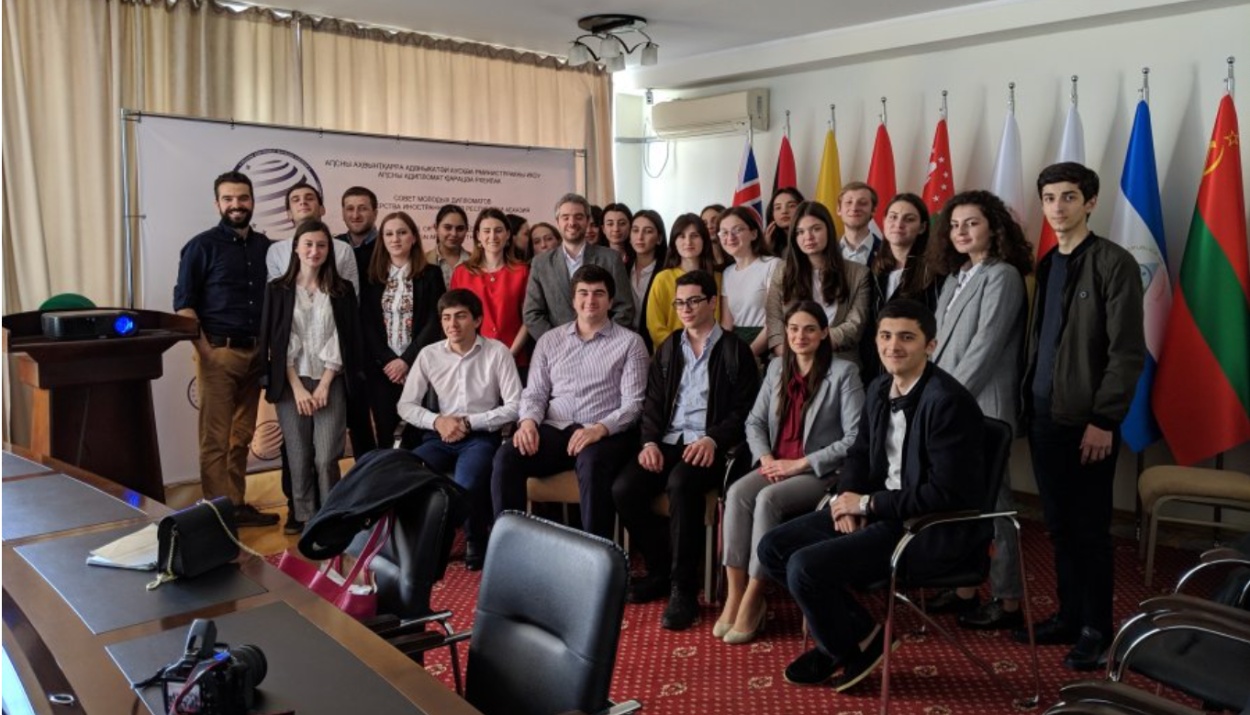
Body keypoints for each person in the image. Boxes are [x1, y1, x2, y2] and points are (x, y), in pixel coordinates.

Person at [758, 299, 986, 691]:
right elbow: (860, 453)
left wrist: (866, 504)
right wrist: (848, 495)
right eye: (885, 335)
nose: (893, 346)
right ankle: (857, 634)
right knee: (773, 547)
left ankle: (843, 650)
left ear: (930, 345)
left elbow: (943, 493)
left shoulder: (948, 402)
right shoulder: (880, 386)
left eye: (906, 337)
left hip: (922, 527)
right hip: (879, 508)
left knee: (805, 568)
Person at [1017, 162, 1145, 670]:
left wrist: (1105, 420)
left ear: (1090, 202)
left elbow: (1127, 352)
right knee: (1058, 526)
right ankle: (1068, 616)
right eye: (1049, 198)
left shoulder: (1114, 263)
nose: (1057, 208)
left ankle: (1096, 627)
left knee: (1090, 529)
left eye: (1069, 197)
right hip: (1045, 415)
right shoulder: (1048, 264)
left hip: (1089, 421)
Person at [613, 270, 759, 630]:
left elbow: (746, 410)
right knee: (624, 489)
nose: (686, 309)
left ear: (713, 302)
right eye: (680, 302)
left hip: (711, 446)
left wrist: (714, 439)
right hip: (667, 441)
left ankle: (684, 590)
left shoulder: (734, 349)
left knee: (681, 484)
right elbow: (652, 404)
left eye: (694, 301)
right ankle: (661, 568)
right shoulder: (668, 347)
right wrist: (648, 442)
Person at [717, 301, 863, 645]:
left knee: (767, 499)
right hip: (776, 463)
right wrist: (765, 457)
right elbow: (753, 421)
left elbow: (855, 438)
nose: (800, 336)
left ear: (824, 333)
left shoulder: (844, 373)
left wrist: (800, 463)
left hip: (817, 471)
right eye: (794, 329)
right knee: (738, 492)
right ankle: (735, 594)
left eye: (810, 329)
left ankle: (755, 594)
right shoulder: (776, 368)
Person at [924, 189, 1034, 630]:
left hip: (981, 408)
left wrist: (942, 402)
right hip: (951, 403)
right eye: (954, 225)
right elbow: (939, 347)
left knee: (996, 504)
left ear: (993, 226)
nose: (961, 232)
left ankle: (1008, 600)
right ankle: (966, 587)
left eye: (971, 223)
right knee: (962, 502)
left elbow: (983, 350)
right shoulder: (956, 278)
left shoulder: (1003, 276)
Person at [493, 264, 648, 539]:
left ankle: (595, 556)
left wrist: (599, 429)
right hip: (555, 428)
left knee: (591, 462)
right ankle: (510, 546)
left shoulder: (630, 343)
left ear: (611, 301)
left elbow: (633, 404)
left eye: (599, 293)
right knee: (508, 456)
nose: (591, 300)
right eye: (584, 293)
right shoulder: (550, 340)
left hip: (603, 433)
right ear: (573, 299)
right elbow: (536, 392)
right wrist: (528, 422)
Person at [173, 170, 278, 527]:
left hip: (256, 354)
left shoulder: (267, 247)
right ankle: (215, 514)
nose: (237, 205)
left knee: (241, 437)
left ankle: (235, 504)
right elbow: (184, 306)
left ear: (252, 201)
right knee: (215, 439)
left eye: (243, 198)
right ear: (218, 203)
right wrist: (206, 352)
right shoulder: (201, 246)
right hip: (219, 353)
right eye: (229, 199)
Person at [397, 289, 523, 570]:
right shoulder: (429, 355)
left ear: (477, 320)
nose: (452, 325)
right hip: (439, 435)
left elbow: (516, 405)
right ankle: (429, 540)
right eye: (446, 318)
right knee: (410, 473)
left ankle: (475, 539)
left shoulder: (497, 352)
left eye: (461, 317)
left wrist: (469, 422)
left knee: (467, 481)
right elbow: (405, 405)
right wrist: (437, 421)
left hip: (480, 437)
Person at [258, 219, 361, 532]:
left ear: (329, 250)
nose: (314, 251)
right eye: (309, 244)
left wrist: (326, 384)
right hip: (292, 384)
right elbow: (275, 341)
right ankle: (305, 517)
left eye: (321, 245)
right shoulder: (277, 289)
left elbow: (346, 339)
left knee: (326, 456)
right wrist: (298, 388)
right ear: (296, 248)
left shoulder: (342, 290)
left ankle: (330, 516)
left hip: (331, 382)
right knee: (299, 456)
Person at [359, 211, 446, 450]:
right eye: (389, 234)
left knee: (419, 432)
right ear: (382, 240)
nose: (395, 238)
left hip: (418, 366)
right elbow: (367, 323)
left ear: (414, 238)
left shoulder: (431, 274)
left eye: (402, 232)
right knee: (387, 434)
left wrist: (407, 361)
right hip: (382, 370)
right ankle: (393, 483)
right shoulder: (372, 277)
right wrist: (389, 361)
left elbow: (434, 321)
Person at [765, 201, 870, 365]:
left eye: (816, 229)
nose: (808, 237)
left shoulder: (858, 273)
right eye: (800, 232)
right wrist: (789, 354)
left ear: (829, 229)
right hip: (790, 360)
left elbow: (855, 325)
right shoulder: (782, 270)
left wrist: (810, 345)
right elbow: (774, 318)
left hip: (839, 361)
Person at [522, 193, 634, 340]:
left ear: (588, 221)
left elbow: (624, 309)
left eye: (579, 217)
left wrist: (603, 340)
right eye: (566, 217)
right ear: (557, 222)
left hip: (603, 349)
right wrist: (558, 342)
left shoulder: (611, 259)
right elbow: (532, 314)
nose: (572, 222)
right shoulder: (540, 264)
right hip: (558, 351)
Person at [859, 193, 943, 382]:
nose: (899, 224)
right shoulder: (875, 269)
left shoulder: (935, 272)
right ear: (884, 221)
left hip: (915, 372)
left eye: (909, 219)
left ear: (922, 227)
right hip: (875, 371)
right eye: (893, 217)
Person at [450, 208, 531, 373]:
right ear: (478, 236)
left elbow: (529, 318)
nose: (492, 236)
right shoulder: (462, 273)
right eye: (487, 231)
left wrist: (509, 354)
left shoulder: (522, 272)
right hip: (472, 359)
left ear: (508, 235)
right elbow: (454, 318)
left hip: (514, 359)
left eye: (498, 230)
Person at [335, 186, 381, 458]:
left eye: (362, 208)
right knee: (356, 422)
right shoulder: (333, 246)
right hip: (345, 347)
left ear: (374, 212)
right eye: (350, 208)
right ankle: (363, 487)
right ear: (342, 212)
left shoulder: (387, 244)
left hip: (381, 349)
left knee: (385, 425)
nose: (356, 214)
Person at [266, 183, 360, 296]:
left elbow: (352, 297)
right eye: (296, 200)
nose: (303, 202)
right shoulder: (276, 251)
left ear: (322, 209)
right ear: (289, 214)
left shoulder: (343, 249)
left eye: (309, 198)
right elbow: (275, 298)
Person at [646, 213, 721, 350]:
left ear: (704, 240)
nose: (688, 242)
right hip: (672, 354)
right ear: (674, 242)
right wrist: (683, 349)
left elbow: (719, 321)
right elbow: (655, 326)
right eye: (682, 236)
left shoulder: (717, 278)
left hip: (711, 352)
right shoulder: (662, 279)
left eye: (694, 236)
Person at [718, 205, 779, 359]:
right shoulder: (727, 273)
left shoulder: (772, 265)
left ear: (753, 233)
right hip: (736, 344)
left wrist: (748, 354)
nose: (730, 237)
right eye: (724, 232)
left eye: (737, 230)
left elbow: (775, 320)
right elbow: (727, 323)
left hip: (768, 344)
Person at [629, 209, 668, 352]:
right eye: (635, 230)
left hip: (655, 347)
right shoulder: (622, 268)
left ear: (659, 238)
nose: (640, 236)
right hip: (624, 344)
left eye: (648, 231)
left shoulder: (666, 272)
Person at [837, 182, 882, 266]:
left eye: (863, 203)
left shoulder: (887, 252)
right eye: (849, 202)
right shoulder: (826, 252)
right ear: (839, 210)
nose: (854, 208)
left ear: (873, 211)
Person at [426, 204, 471, 287]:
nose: (454, 234)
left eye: (460, 229)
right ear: (436, 228)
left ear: (466, 230)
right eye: (447, 228)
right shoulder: (422, 262)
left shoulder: (478, 263)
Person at [765, 187, 804, 255]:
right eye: (778, 208)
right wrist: (766, 250)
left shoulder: (809, 239)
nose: (784, 211)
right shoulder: (768, 244)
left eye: (791, 206)